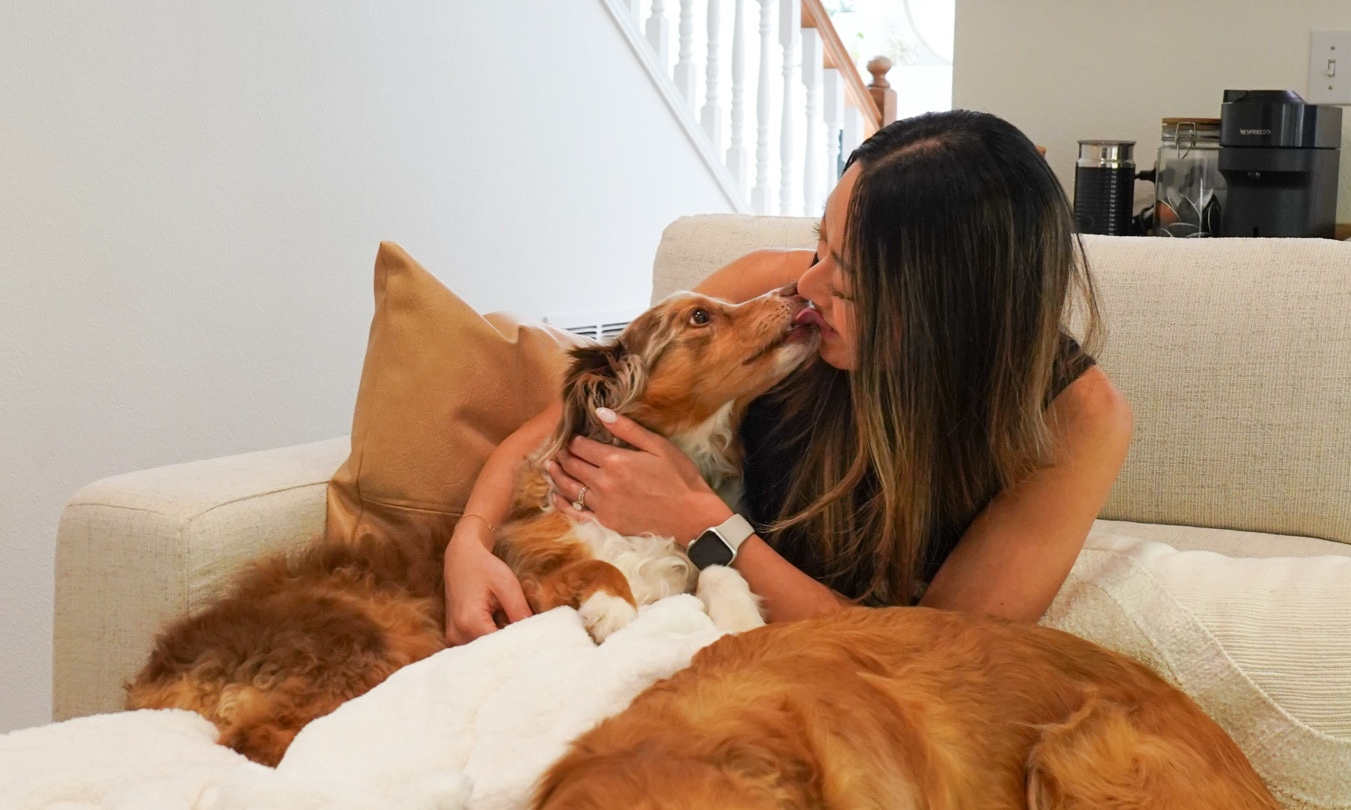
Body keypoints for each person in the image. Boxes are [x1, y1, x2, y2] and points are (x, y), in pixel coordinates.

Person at [444, 109, 1132, 641]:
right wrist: (468, 545)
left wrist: (704, 523)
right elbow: (550, 436)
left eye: (849, 277)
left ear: (943, 312)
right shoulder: (775, 295)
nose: (806, 284)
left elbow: (937, 654)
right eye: (818, 244)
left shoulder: (1075, 420)